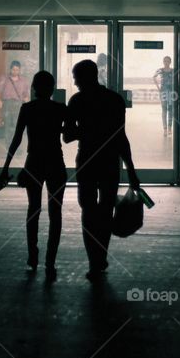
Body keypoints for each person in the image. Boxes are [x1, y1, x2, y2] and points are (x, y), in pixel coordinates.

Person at [64, 60, 140, 279]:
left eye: (76, 76)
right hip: (109, 161)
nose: (75, 81)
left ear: (84, 77)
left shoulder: (77, 101)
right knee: (106, 209)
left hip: (87, 160)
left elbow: (68, 136)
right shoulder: (115, 100)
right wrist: (131, 171)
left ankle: (93, 261)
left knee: (88, 210)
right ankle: (102, 256)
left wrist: (86, 131)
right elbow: (121, 138)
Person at [0, 71, 67, 281]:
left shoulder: (27, 109)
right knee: (56, 213)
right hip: (55, 162)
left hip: (34, 162)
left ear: (34, 89)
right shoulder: (60, 109)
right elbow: (71, 135)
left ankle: (32, 256)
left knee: (33, 209)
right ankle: (51, 260)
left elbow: (17, 139)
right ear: (52, 88)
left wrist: (5, 168)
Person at [0, 60, 30, 145]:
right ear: (10, 69)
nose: (15, 71)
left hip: (18, 104)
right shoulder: (4, 79)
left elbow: (26, 94)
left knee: (17, 126)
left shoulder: (23, 81)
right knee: (7, 126)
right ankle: (8, 146)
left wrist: (27, 100)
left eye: (17, 70)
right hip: (7, 104)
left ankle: (17, 146)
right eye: (13, 69)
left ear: (19, 70)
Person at [153, 55, 175, 137]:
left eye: (168, 61)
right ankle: (165, 128)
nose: (166, 62)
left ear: (170, 62)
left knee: (171, 109)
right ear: (163, 62)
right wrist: (158, 87)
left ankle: (169, 127)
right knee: (164, 109)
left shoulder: (173, 70)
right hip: (163, 92)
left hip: (172, 92)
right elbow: (154, 77)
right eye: (165, 61)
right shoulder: (160, 70)